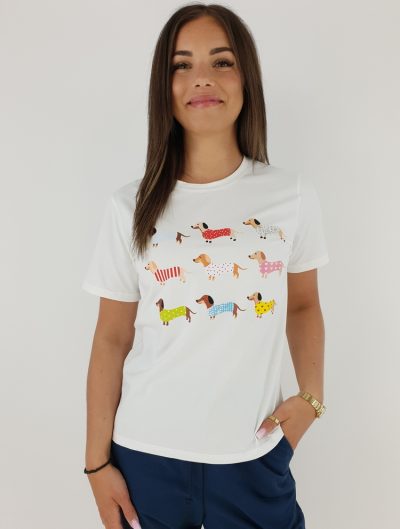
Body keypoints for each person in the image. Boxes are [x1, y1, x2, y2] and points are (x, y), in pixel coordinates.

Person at [81, 4, 329, 529]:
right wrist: (96, 464)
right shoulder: (129, 206)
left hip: (254, 456)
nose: (202, 78)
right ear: (164, 86)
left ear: (246, 79)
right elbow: (111, 338)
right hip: (146, 457)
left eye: (222, 61)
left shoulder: (291, 195)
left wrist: (311, 398)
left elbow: (303, 305)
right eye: (182, 65)